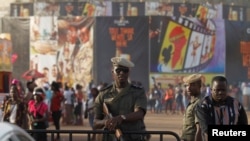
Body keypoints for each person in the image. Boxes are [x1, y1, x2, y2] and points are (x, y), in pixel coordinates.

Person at [94, 57, 148, 141]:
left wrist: (122, 118)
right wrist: (106, 122)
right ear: (113, 72)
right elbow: (96, 122)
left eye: (125, 70)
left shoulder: (138, 92)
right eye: (118, 70)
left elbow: (139, 113)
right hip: (109, 138)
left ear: (128, 72)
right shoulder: (103, 94)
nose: (121, 73)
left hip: (132, 138)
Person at [196, 76, 248, 141]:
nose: (220, 92)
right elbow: (207, 130)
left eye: (223, 90)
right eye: (217, 90)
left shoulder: (237, 105)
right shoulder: (203, 105)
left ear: (227, 90)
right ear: (211, 90)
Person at [181, 74, 202, 141]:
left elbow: (200, 129)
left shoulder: (199, 103)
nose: (188, 88)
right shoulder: (192, 102)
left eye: (192, 85)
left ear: (199, 86)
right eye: (187, 85)